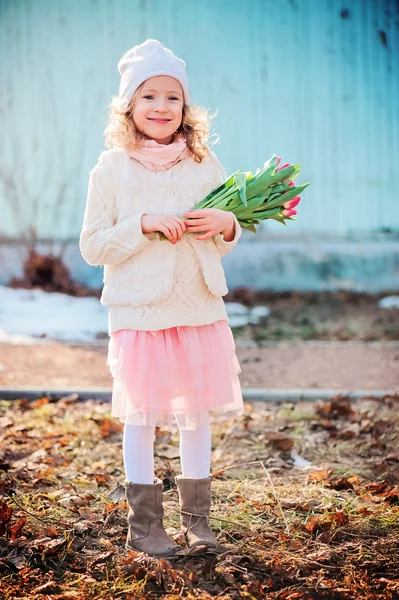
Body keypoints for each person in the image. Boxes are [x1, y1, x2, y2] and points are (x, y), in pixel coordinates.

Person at [79, 39, 244, 558]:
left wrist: (229, 224)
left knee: (196, 415)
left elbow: (222, 235)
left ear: (185, 107)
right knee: (143, 416)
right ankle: (145, 526)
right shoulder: (111, 169)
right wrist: (142, 224)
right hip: (140, 312)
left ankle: (198, 522)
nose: (160, 107)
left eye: (172, 98)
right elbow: (91, 246)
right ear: (129, 105)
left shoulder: (203, 162)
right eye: (149, 96)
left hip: (196, 307)